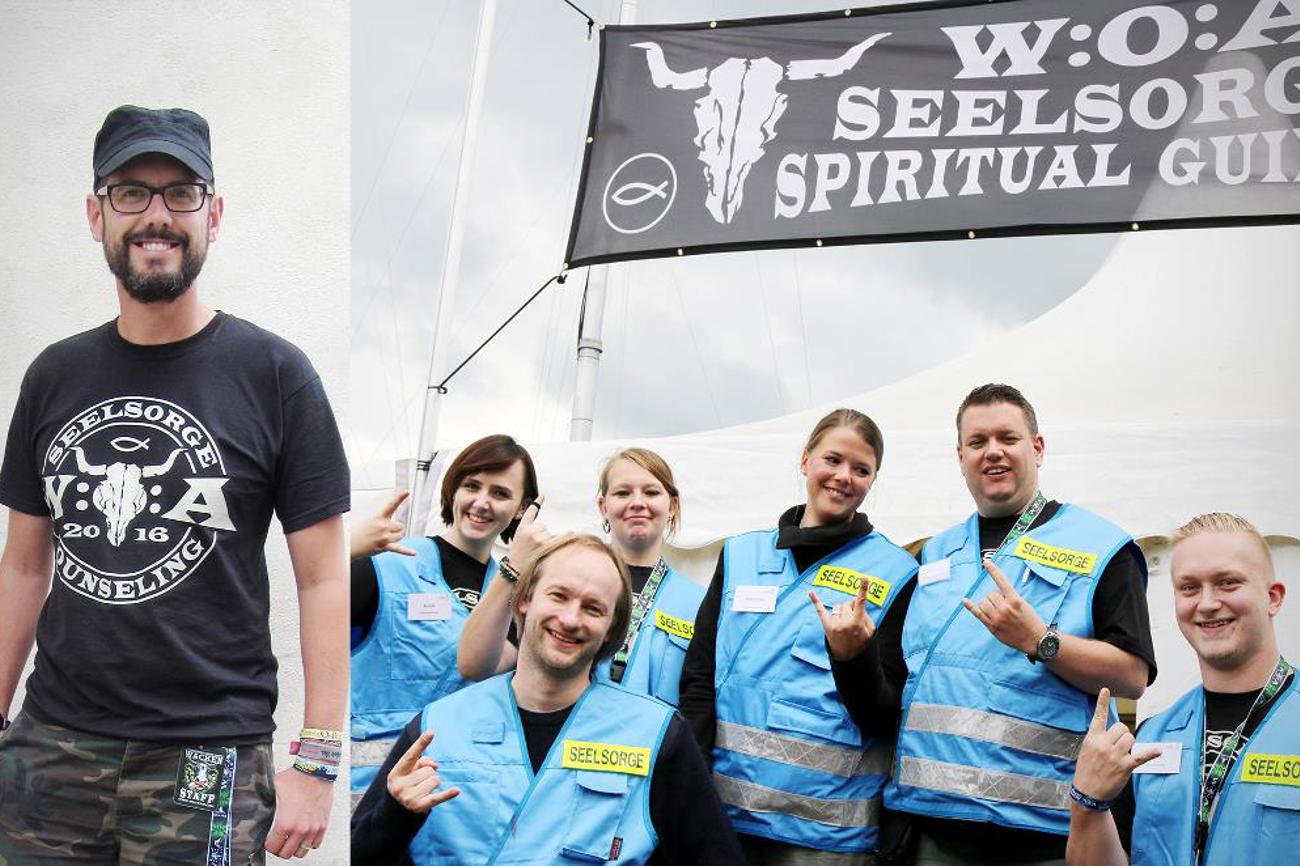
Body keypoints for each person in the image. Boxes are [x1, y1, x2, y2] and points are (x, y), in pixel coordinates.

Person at [0, 105, 349, 863]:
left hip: (207, 755)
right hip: (50, 749)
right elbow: (25, 565)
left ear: (213, 214)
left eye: (180, 192)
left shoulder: (277, 375)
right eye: (131, 192)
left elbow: (323, 580)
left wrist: (318, 760)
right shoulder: (53, 375)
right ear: (96, 215)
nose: (156, 215)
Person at [829, 383, 1155, 866]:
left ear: (1037, 448)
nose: (993, 452)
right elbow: (896, 689)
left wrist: (1041, 642)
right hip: (931, 828)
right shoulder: (934, 554)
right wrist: (851, 655)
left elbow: (1133, 676)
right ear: (960, 456)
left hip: (1041, 833)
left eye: (1008, 437)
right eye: (978, 442)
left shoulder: (1101, 547)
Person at [350, 533, 745, 865]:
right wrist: (393, 817)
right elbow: (356, 854)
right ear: (524, 600)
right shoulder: (439, 725)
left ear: (611, 630)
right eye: (558, 596)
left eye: (593, 608)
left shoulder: (656, 736)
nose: (571, 619)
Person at [679, 408, 920, 863]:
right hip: (724, 822)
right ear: (806, 460)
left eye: (861, 469)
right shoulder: (740, 554)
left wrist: (853, 659)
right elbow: (699, 680)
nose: (843, 477)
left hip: (823, 836)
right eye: (833, 460)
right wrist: (691, 789)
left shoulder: (896, 573)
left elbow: (888, 717)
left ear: (873, 481)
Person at [1066, 513, 1296, 866]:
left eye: (1228, 583)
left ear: (1273, 598)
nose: (1206, 603)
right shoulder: (1151, 737)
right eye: (1189, 587)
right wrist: (1088, 803)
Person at [349, 433, 539, 805]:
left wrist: (517, 569)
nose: (482, 503)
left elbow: (482, 667)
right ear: (453, 490)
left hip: (462, 796)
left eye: (500, 493)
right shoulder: (388, 565)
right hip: (372, 792)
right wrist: (347, 550)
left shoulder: (518, 597)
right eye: (472, 486)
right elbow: (300, 623)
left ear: (523, 508)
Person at [457, 447, 705, 707]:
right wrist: (514, 566)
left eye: (651, 492)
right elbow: (475, 666)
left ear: (672, 506)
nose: (637, 502)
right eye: (622, 493)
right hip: (563, 739)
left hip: (650, 743)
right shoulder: (561, 576)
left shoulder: (700, 604)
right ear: (603, 506)